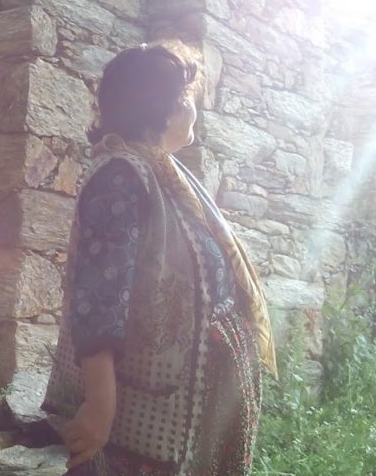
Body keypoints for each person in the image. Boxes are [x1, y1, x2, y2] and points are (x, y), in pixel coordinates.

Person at [42, 42, 278, 475]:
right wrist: (100, 406)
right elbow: (99, 298)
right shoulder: (121, 175)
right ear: (162, 106)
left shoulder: (160, 171)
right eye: (186, 97)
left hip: (184, 415)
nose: (192, 109)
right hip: (143, 428)